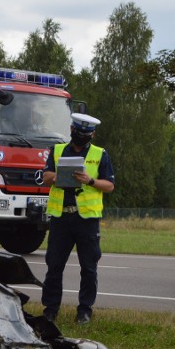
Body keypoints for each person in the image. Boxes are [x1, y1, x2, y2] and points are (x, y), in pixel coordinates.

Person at [41, 113, 115, 325]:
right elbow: (45, 177)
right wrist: (57, 177)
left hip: (87, 220)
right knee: (54, 265)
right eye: (79, 132)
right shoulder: (56, 150)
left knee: (89, 267)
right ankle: (50, 309)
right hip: (61, 218)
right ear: (72, 130)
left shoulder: (100, 154)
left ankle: (84, 310)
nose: (82, 136)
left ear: (92, 134)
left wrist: (90, 180)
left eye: (87, 133)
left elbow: (109, 185)